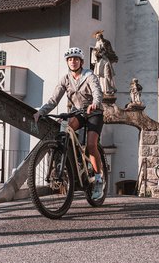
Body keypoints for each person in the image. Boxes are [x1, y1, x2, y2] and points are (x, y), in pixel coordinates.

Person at [33, 47, 105, 199]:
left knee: (91, 144)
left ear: (81, 62)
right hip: (77, 113)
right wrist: (41, 112)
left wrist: (96, 103)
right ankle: (67, 161)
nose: (73, 62)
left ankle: (98, 179)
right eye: (70, 59)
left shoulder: (89, 75)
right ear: (67, 62)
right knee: (63, 130)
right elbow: (54, 100)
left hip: (94, 112)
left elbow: (98, 92)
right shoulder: (65, 79)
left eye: (76, 59)